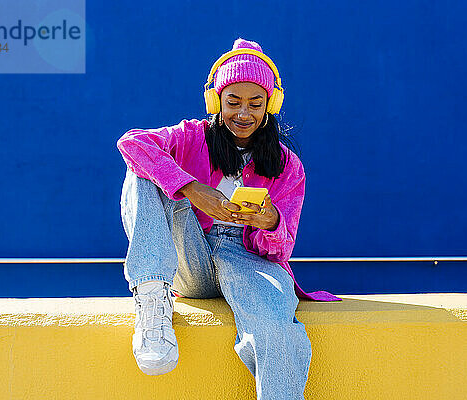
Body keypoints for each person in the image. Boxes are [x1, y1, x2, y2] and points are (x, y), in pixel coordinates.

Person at [117, 38, 341, 399]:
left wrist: (269, 221)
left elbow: (282, 248)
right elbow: (132, 143)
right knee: (144, 170)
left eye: (255, 103)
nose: (243, 113)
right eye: (233, 101)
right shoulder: (192, 137)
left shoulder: (287, 165)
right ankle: (152, 299)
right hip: (191, 258)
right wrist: (191, 188)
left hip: (248, 261)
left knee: (274, 329)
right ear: (216, 100)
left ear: (271, 105)